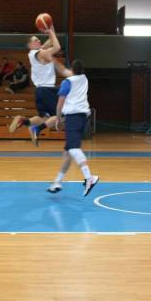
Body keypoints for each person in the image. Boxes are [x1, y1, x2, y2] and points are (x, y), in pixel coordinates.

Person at [43, 59, 99, 197]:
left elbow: (60, 104)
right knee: (68, 153)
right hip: (82, 118)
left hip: (73, 117)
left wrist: (57, 118)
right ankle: (57, 182)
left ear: (71, 70)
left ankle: (89, 177)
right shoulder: (84, 78)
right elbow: (65, 70)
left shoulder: (67, 82)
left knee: (74, 149)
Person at [8, 25, 61, 146]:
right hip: (47, 90)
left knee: (43, 118)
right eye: (36, 40)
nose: (39, 41)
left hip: (40, 90)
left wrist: (51, 30)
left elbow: (50, 41)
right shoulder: (40, 54)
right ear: (30, 45)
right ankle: (35, 129)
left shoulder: (35, 53)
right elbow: (57, 46)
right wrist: (50, 32)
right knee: (59, 117)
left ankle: (24, 121)